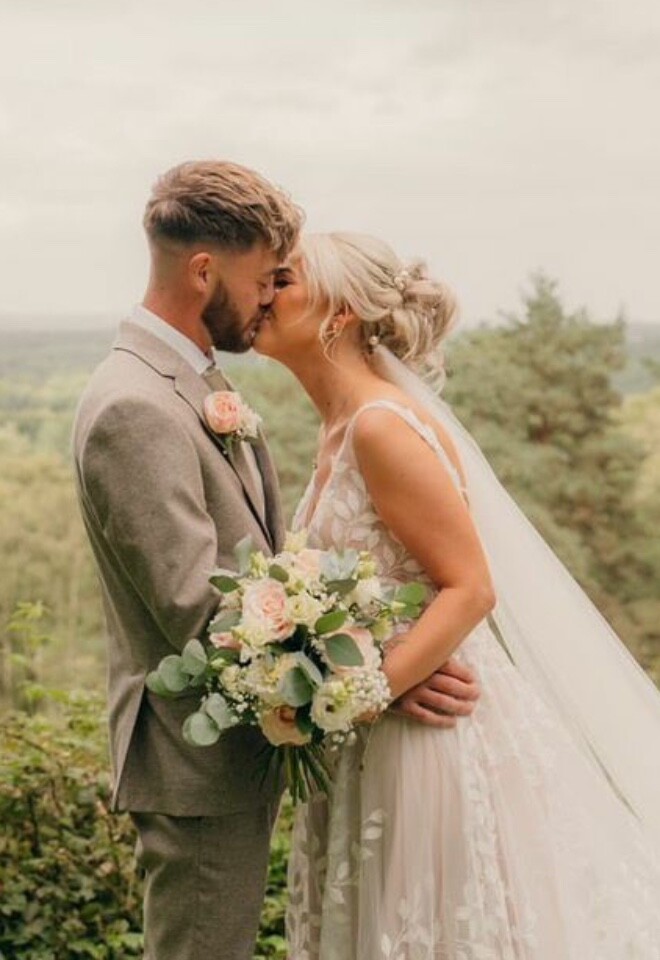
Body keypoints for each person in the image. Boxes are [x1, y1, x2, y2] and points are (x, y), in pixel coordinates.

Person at [72, 164, 479, 960]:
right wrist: (374, 679)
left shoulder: (195, 385)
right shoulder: (136, 405)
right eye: (265, 278)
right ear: (203, 271)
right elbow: (207, 617)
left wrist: (375, 668)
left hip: (253, 752)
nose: (267, 298)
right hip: (197, 762)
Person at [254, 231, 660, 959]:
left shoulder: (380, 427)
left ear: (339, 312)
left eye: (283, 279)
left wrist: (362, 693)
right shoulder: (337, 430)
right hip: (369, 736)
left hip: (423, 741)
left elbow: (470, 587)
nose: (261, 291)